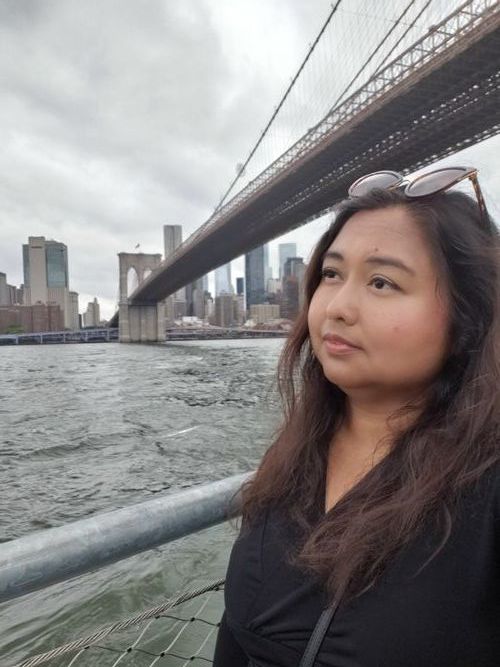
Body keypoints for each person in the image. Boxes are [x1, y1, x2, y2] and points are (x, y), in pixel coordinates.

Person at [213, 166, 500, 667]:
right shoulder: (293, 457)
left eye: (382, 282)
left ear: (468, 316)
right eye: (331, 274)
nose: (338, 307)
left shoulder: (488, 485)